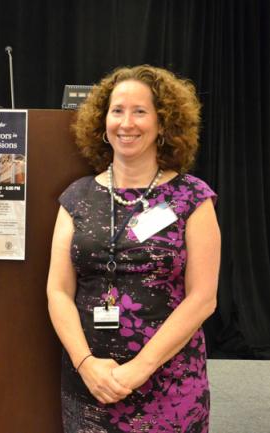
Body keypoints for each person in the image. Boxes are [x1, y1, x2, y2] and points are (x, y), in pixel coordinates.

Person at [46, 65, 220, 432]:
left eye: (140, 111)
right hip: (91, 382)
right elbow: (58, 291)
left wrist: (140, 369)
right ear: (102, 121)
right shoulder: (76, 198)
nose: (127, 123)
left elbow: (203, 298)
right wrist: (85, 364)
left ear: (164, 123)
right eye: (117, 110)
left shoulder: (192, 198)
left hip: (169, 382)